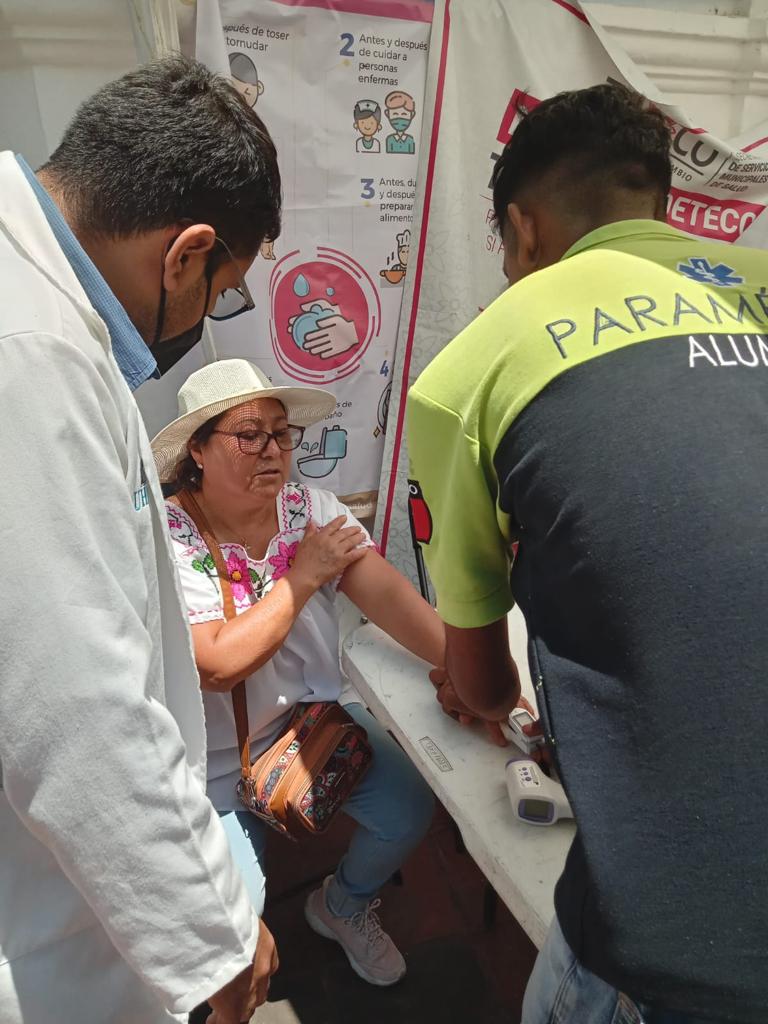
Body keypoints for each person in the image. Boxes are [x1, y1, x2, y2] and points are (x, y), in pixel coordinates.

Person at [406, 83, 768, 1024]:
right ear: (659, 204)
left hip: (678, 951)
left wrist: (487, 690)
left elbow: (484, 687)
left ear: (524, 231)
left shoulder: (467, 373)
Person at [0, 56, 285, 1023]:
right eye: (224, 292)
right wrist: (214, 934)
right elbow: (75, 703)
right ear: (186, 252)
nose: (206, 321)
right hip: (46, 935)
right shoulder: (30, 351)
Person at [151, 358, 442, 991]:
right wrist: (303, 576)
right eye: (248, 434)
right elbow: (219, 664)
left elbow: (390, 600)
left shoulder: (312, 511)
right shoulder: (170, 536)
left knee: (410, 808)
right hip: (210, 765)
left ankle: (340, 906)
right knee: (236, 921)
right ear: (197, 450)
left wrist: (463, 667)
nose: (271, 451)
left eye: (281, 434)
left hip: (310, 728)